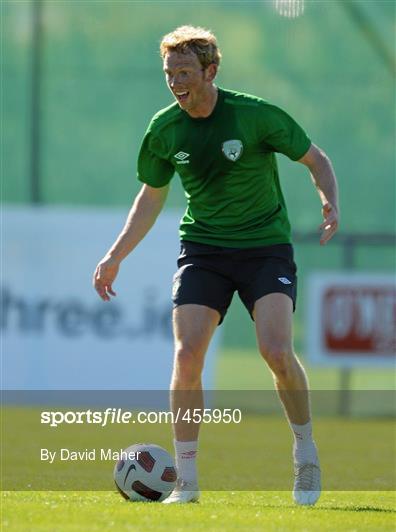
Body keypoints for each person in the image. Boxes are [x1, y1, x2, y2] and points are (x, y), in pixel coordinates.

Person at [93, 25, 339, 506]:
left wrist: (329, 200)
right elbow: (151, 195)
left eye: (185, 72)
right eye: (169, 73)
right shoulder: (164, 129)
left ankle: (305, 454)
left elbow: (316, 159)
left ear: (211, 70)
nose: (176, 82)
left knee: (274, 350)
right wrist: (115, 254)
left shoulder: (255, 115)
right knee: (187, 357)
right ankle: (186, 480)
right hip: (203, 250)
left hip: (265, 248)